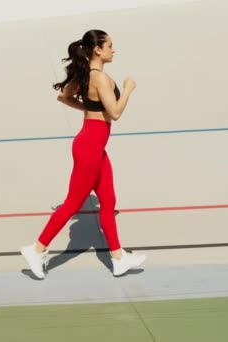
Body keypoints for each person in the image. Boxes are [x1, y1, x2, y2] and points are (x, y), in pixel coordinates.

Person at [20, 29, 146, 279]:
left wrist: (88, 108)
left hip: (94, 144)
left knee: (108, 201)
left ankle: (118, 258)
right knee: (73, 203)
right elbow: (115, 114)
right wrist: (129, 89)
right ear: (98, 49)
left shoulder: (85, 75)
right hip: (90, 146)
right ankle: (36, 249)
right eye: (110, 45)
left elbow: (63, 97)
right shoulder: (100, 78)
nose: (113, 49)